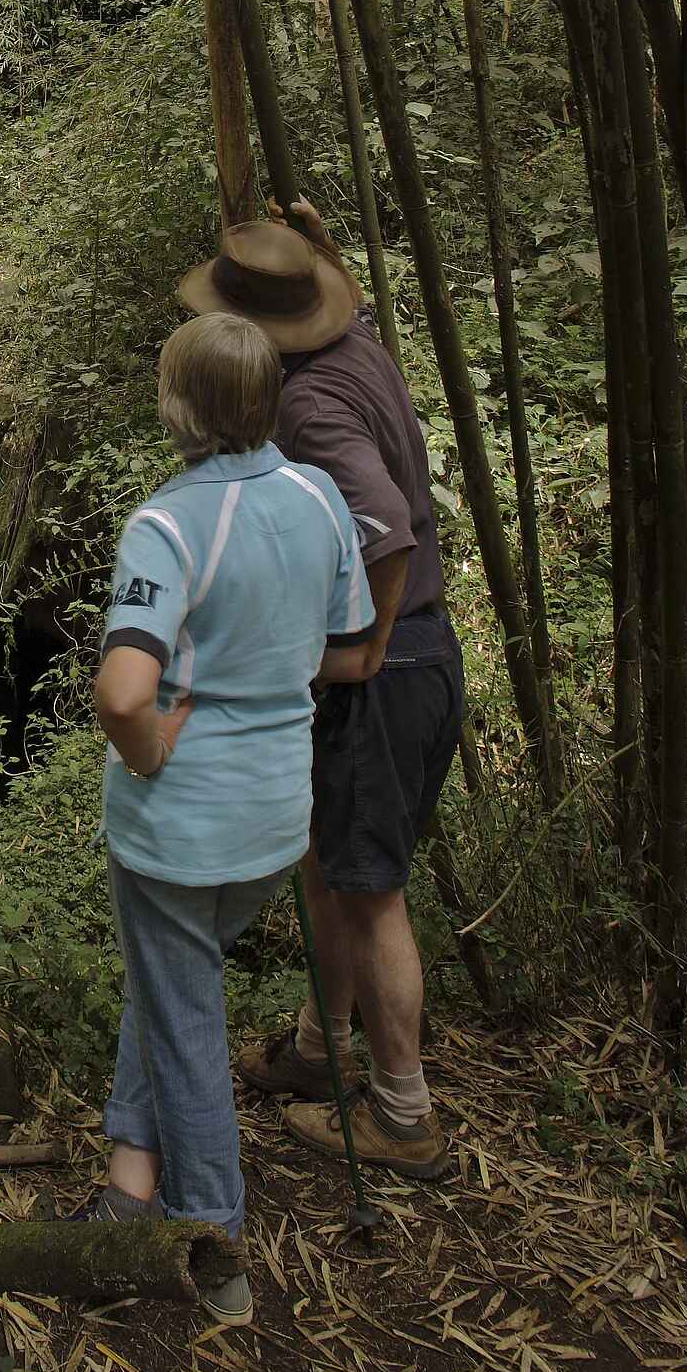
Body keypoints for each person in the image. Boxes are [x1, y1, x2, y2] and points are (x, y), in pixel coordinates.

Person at [80, 312, 376, 1327]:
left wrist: (148, 748)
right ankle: (128, 1185)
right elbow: (349, 646)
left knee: (187, 1019)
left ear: (179, 407)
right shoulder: (320, 496)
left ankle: (213, 1251)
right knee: (171, 989)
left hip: (178, 831)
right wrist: (264, 666)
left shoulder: (167, 525)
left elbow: (124, 692)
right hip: (274, 823)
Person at [180, 210, 465, 1182]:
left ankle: (404, 1115)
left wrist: (366, 644)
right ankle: (319, 1045)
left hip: (390, 665)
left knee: (372, 892)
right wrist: (320, 242)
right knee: (332, 863)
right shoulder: (357, 345)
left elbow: (384, 521)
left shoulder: (305, 405)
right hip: (421, 658)